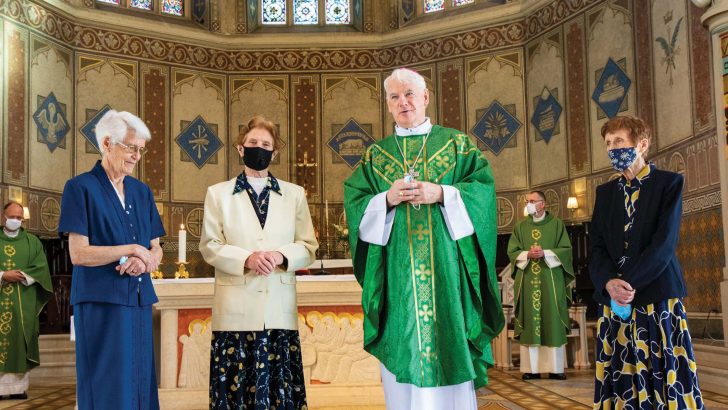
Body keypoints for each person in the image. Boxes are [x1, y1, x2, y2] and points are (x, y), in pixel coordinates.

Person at [343, 68, 504, 410]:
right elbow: (355, 203)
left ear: (426, 97)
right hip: (399, 279)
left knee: (449, 344)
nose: (403, 102)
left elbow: (483, 193)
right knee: (404, 351)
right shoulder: (376, 156)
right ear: (387, 105)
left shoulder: (457, 144)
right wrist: (386, 199)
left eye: (410, 94)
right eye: (394, 97)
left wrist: (443, 193)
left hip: (447, 276)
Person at [200, 115, 318, 409]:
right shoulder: (218, 194)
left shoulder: (294, 195)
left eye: (266, 144)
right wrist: (247, 258)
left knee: (279, 393)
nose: (259, 148)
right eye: (252, 142)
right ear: (241, 148)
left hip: (278, 309)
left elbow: (309, 245)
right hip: (235, 309)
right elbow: (209, 245)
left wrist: (281, 255)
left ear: (274, 153)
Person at [590, 115, 703, 409]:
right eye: (608, 143)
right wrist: (608, 283)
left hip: (657, 298)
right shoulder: (605, 194)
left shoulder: (668, 183)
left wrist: (627, 284)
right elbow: (597, 247)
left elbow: (663, 245)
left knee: (664, 374)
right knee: (622, 377)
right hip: (616, 301)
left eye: (619, 142)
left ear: (642, 144)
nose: (613, 149)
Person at [58, 110, 164, 409]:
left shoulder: (142, 192)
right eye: (131, 147)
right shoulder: (80, 188)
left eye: (141, 150)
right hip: (100, 300)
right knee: (107, 382)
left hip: (139, 298)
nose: (137, 156)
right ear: (107, 143)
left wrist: (145, 260)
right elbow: (78, 253)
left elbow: (156, 248)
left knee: (140, 381)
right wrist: (131, 248)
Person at [507, 191, 573, 381]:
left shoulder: (557, 225)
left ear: (542, 204)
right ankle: (531, 369)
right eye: (527, 201)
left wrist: (545, 253)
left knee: (552, 319)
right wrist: (527, 254)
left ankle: (556, 368)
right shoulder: (520, 227)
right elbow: (512, 251)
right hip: (528, 280)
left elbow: (566, 250)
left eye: (532, 201)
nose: (528, 204)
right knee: (531, 321)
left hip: (551, 280)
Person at [0, 201, 52, 400]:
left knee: (20, 342)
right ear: (4, 216)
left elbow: (41, 269)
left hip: (23, 303)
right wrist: (3, 275)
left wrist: (20, 275)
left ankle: (17, 389)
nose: (15, 220)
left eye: (19, 218)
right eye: (11, 216)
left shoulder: (32, 242)